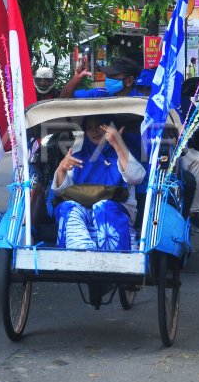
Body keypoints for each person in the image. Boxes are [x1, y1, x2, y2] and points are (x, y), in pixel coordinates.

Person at [52, 115, 146, 250]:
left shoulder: (125, 150)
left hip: (117, 209)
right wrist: (62, 170)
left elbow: (136, 177)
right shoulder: (78, 155)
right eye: (89, 128)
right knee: (67, 206)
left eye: (99, 125)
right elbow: (61, 192)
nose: (94, 131)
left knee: (104, 207)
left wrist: (117, 145)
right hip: (84, 210)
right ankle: (80, 252)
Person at [59, 56, 144, 98]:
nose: (107, 79)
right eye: (107, 75)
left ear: (129, 81)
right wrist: (76, 78)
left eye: (112, 76)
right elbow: (63, 100)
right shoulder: (101, 94)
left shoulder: (142, 102)